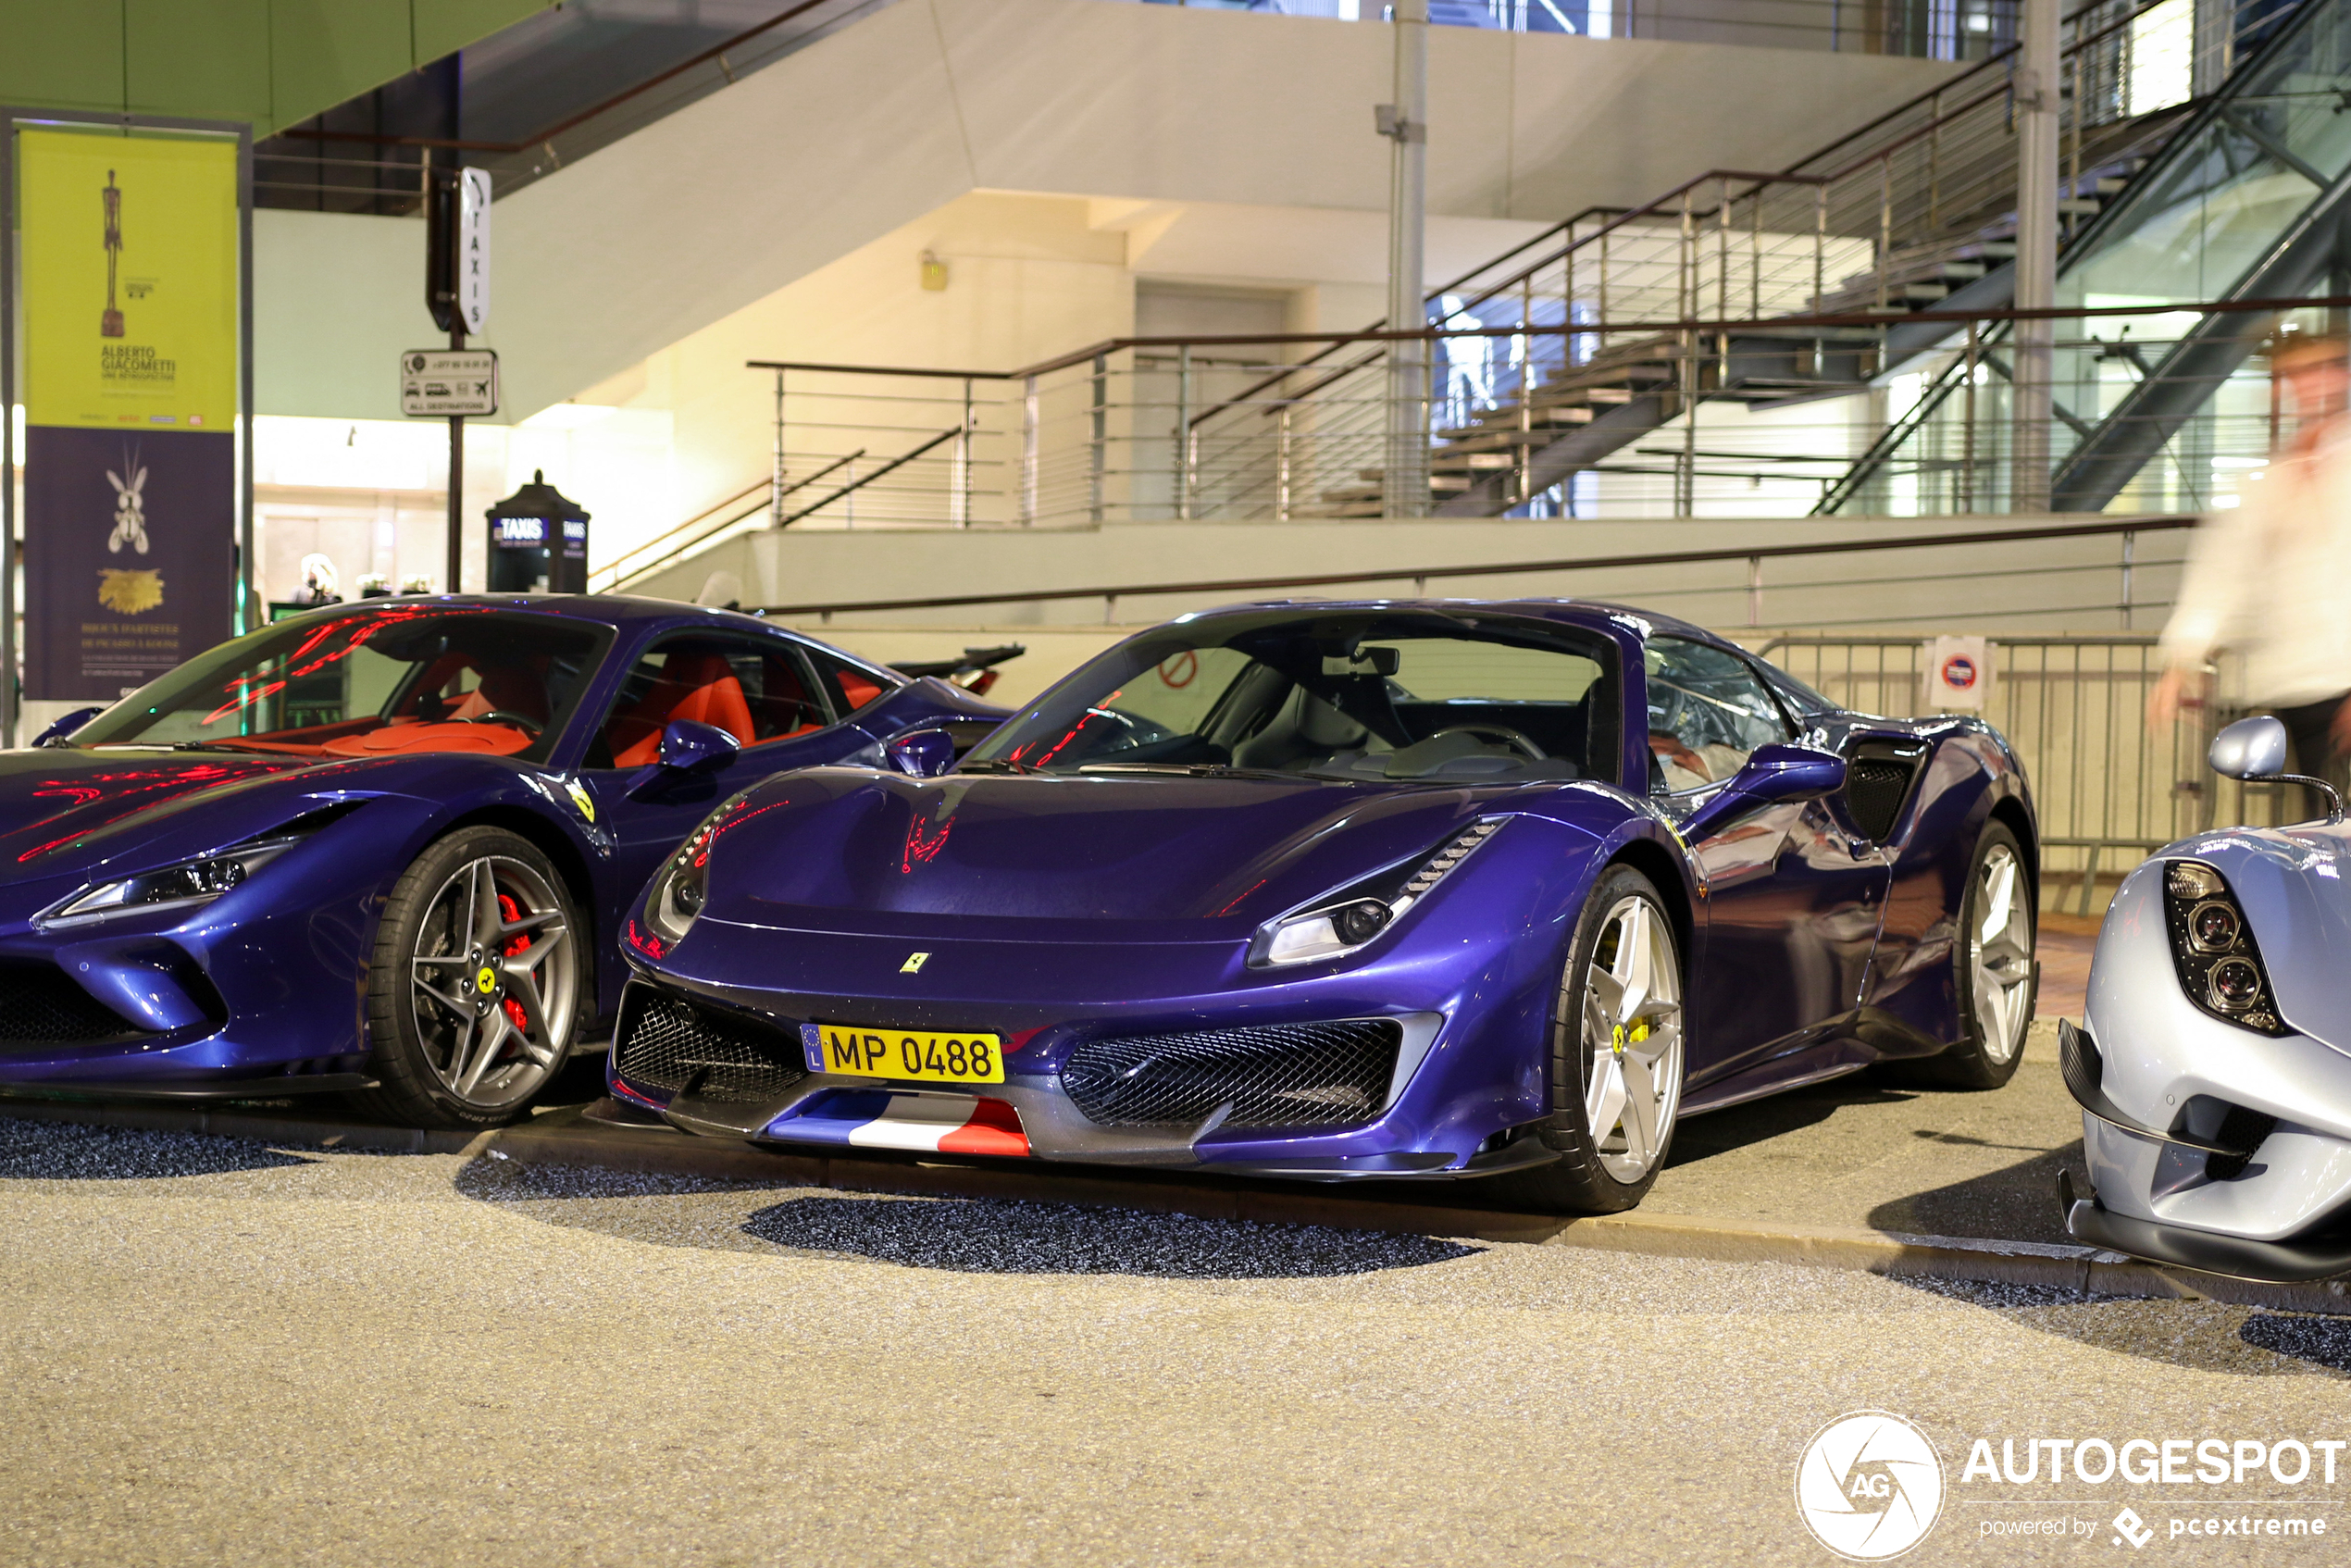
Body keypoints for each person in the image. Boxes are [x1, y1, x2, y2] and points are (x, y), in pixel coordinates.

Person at [2150, 330, 2351, 808]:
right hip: (2300, 686)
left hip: (2344, 678)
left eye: (2316, 370)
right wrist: (2180, 664)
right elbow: (2224, 573)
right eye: (2291, 376)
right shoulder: (2270, 481)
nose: (2304, 386)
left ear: (2342, 375)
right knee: (2325, 833)